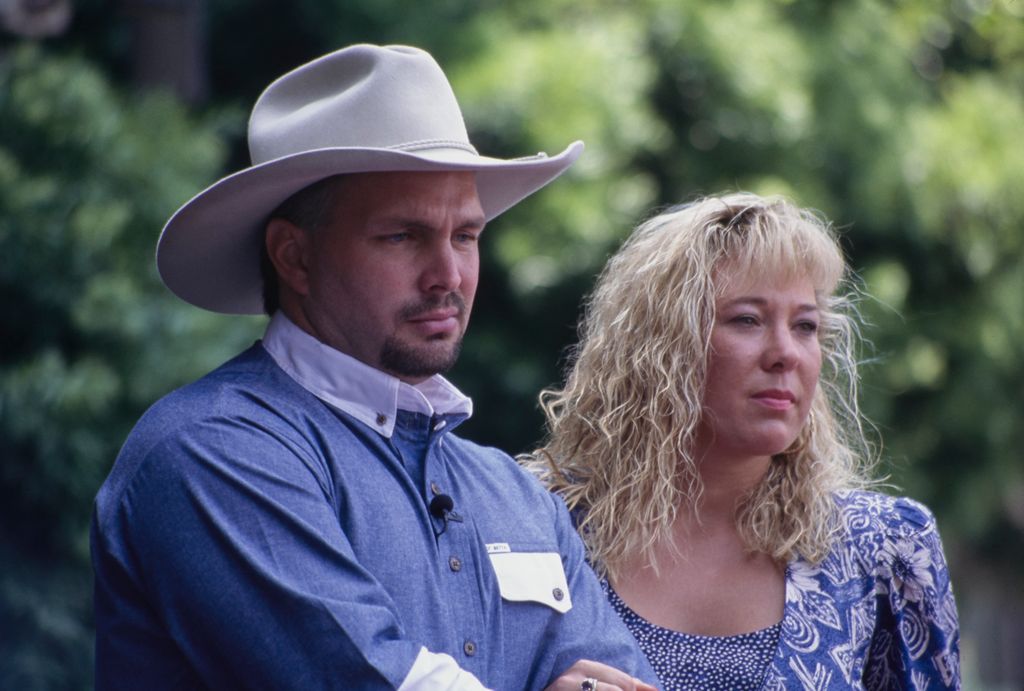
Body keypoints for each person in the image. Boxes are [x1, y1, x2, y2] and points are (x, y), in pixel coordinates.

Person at [90, 43, 658, 691]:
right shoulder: (207, 452)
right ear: (294, 257)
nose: (449, 274)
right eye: (402, 236)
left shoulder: (519, 497)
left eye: (465, 235)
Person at [523, 192, 961, 690]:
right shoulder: (535, 522)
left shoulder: (884, 548)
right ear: (663, 346)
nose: (785, 354)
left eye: (806, 326)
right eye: (747, 320)